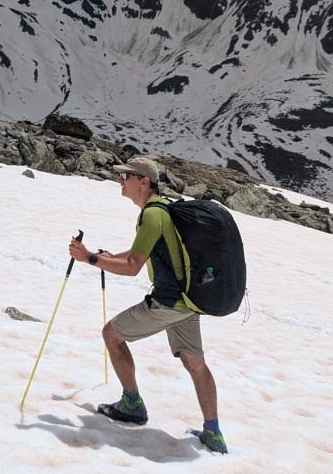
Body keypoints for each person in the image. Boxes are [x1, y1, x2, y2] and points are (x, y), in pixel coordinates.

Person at [68, 156, 228, 454]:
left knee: (111, 335)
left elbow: (132, 267)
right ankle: (213, 433)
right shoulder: (163, 210)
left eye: (126, 176)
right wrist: (108, 256)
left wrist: (90, 258)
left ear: (144, 181)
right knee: (195, 363)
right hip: (188, 301)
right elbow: (142, 250)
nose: (121, 181)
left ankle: (132, 405)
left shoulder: (152, 215)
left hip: (168, 301)